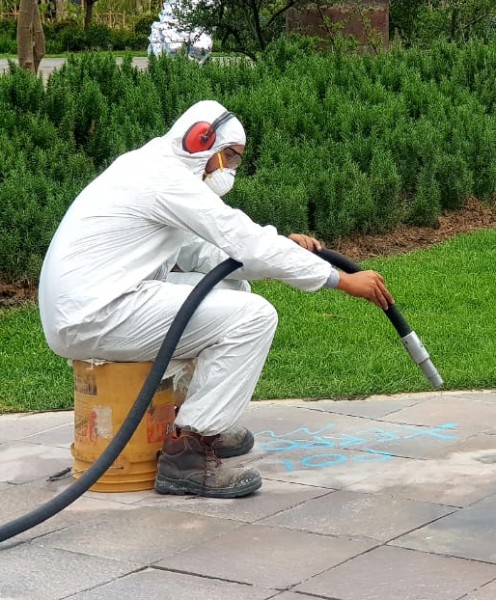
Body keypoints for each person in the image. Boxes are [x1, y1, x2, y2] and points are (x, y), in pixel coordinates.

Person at [38, 100, 394, 499]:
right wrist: (341, 280)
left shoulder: (153, 169)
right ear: (201, 141)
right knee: (253, 317)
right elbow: (241, 238)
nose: (231, 170)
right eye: (230, 158)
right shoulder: (164, 178)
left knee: (230, 291)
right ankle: (187, 455)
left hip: (97, 305)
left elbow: (206, 256)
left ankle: (195, 417)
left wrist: (284, 249)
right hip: (96, 315)